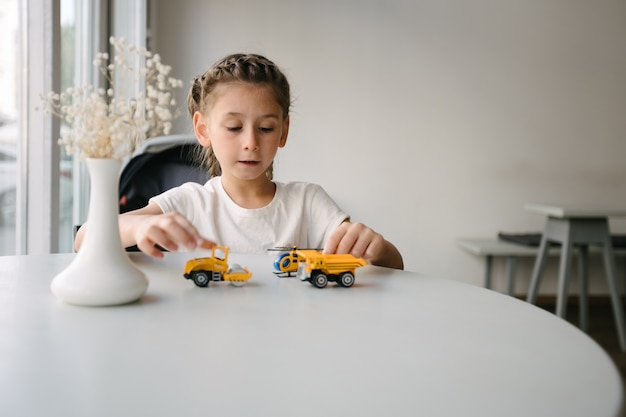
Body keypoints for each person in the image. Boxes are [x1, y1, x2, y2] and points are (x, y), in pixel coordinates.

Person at [75, 53, 404, 270]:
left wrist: (376, 249)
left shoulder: (308, 202)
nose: (250, 142)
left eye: (265, 128)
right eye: (234, 127)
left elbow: (394, 266)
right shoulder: (188, 202)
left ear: (283, 132)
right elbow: (84, 238)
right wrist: (140, 225)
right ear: (203, 129)